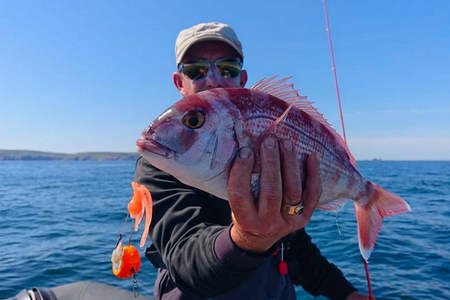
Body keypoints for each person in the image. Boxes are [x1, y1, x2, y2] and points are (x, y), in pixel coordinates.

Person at [135, 22, 371, 300]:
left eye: (227, 68)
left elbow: (296, 248)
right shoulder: (159, 164)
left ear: (242, 78)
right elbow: (185, 260)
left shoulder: (262, 126)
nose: (213, 79)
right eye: (196, 69)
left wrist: (347, 294)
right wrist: (250, 238)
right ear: (179, 81)